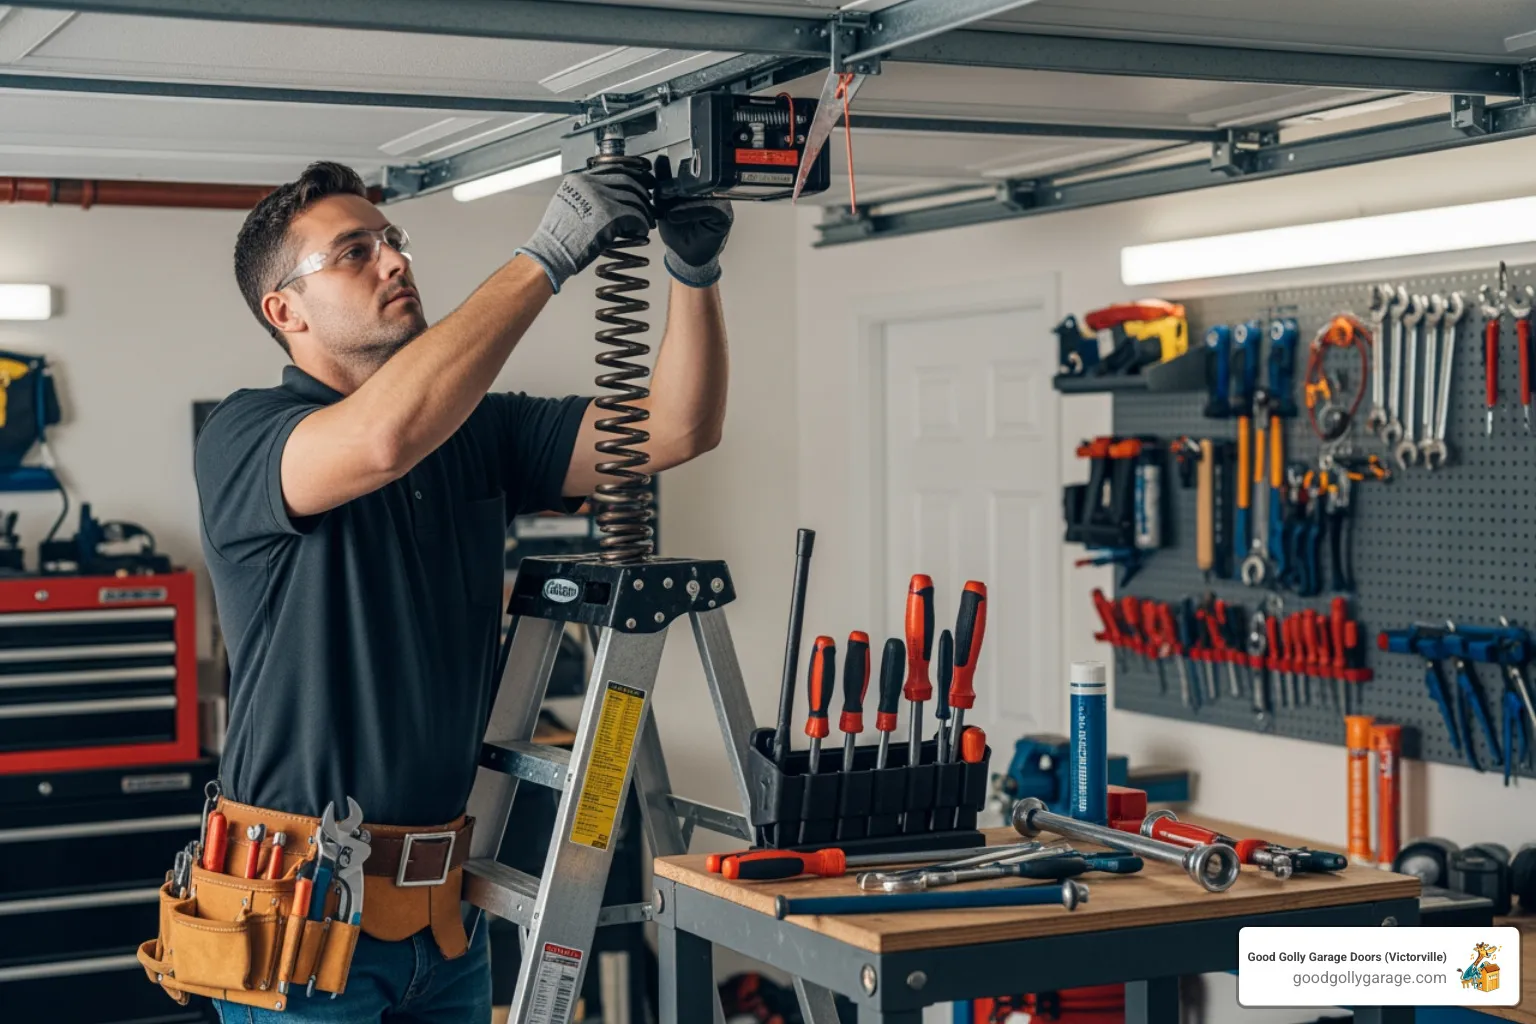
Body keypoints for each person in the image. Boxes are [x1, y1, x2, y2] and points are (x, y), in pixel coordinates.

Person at [192, 159, 732, 1022]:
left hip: (444, 922)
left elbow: (677, 427)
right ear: (284, 311)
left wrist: (693, 274)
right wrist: (546, 256)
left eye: (392, 240)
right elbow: (380, 441)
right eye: (354, 251)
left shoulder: (475, 428)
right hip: (298, 919)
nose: (394, 260)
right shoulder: (246, 434)